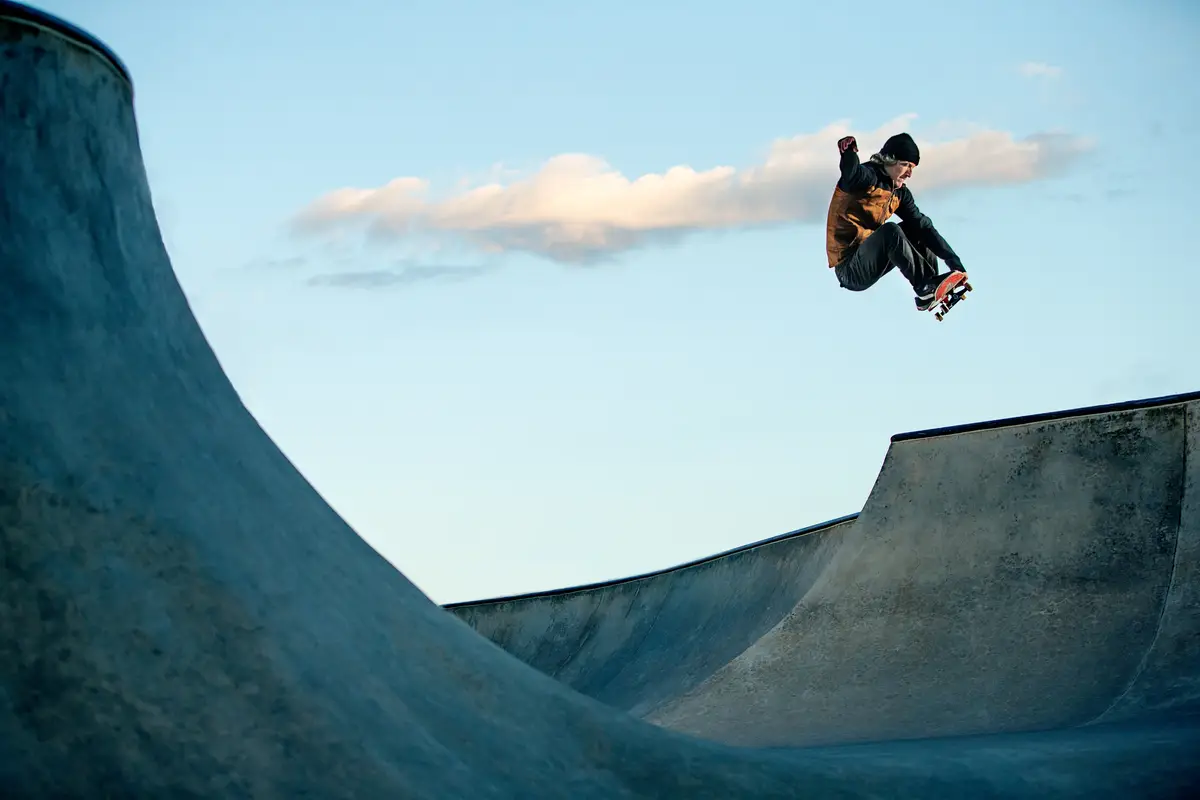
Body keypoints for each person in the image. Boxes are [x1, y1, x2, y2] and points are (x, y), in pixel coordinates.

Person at [825, 132, 967, 311]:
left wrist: (955, 264)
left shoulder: (899, 194)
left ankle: (930, 288)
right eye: (905, 165)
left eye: (912, 167)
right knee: (890, 232)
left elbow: (925, 227)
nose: (909, 173)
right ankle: (925, 287)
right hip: (849, 268)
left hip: (870, 255)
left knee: (919, 228)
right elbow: (851, 174)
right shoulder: (867, 177)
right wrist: (849, 153)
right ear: (889, 160)